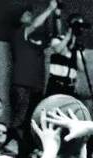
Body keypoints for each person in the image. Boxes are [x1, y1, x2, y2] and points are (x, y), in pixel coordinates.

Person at [10, 0, 59, 132]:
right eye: (26, 15)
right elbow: (35, 25)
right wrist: (49, 9)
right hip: (22, 84)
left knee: (32, 121)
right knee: (19, 119)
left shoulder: (36, 41)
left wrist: (57, 16)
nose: (29, 16)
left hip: (37, 85)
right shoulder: (18, 33)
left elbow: (56, 45)